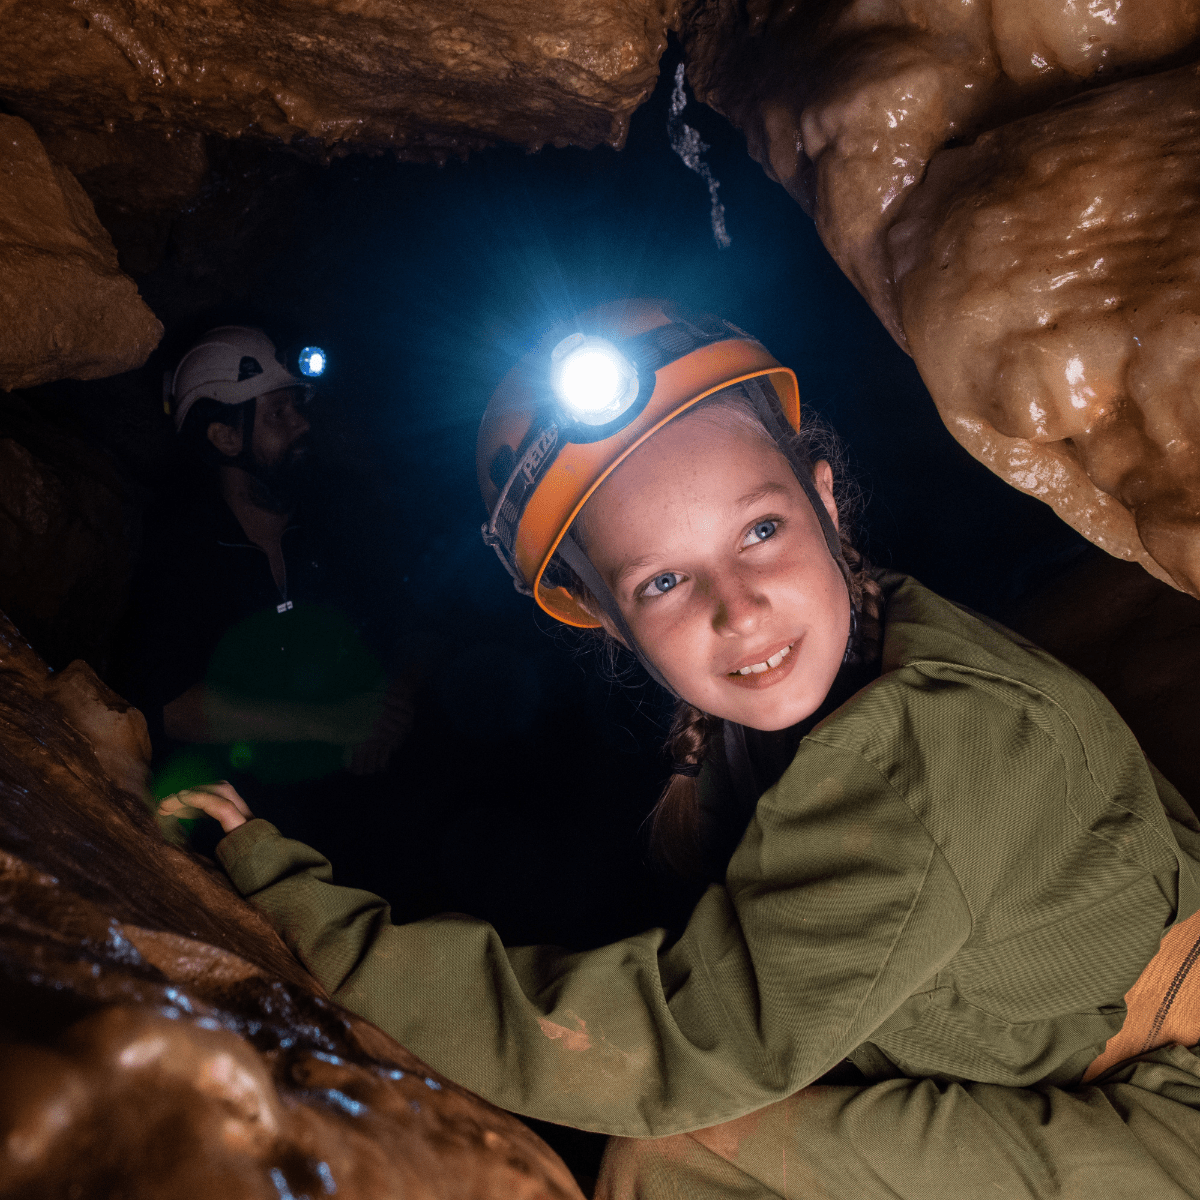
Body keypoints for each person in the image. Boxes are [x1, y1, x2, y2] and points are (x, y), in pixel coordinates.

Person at [162, 301, 1200, 1198]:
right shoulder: (804, 699)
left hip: (1172, 1111)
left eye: (759, 532)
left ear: (826, 502)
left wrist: (315, 920)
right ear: (606, 617)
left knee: (685, 1160)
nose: (737, 608)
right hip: (1062, 1069)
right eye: (663, 581)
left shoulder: (926, 742)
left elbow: (685, 1048)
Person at [117, 326, 414, 811]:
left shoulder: (337, 523)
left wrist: (396, 699)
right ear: (226, 436)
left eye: (299, 407)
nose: (302, 424)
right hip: (235, 812)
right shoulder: (186, 554)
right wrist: (331, 722)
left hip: (357, 796)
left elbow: (420, 614)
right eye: (279, 413)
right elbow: (165, 707)